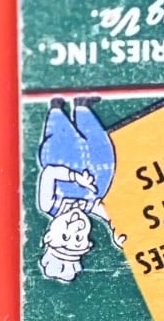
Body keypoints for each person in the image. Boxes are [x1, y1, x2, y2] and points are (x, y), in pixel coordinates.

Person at [36, 97, 124, 283]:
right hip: (95, 171)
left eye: (65, 236)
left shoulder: (49, 205)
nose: (75, 228)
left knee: (62, 138)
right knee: (101, 149)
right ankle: (82, 108)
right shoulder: (86, 207)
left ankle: (57, 109)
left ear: (49, 236)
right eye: (78, 238)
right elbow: (105, 213)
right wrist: (115, 229)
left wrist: (74, 178)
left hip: (63, 160)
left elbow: (49, 172)